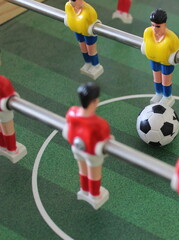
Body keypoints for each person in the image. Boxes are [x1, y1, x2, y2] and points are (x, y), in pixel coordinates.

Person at [63, 82, 111, 210]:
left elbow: (68, 129)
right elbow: (104, 142)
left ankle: (84, 190)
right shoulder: (100, 124)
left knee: (82, 170)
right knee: (94, 174)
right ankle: (95, 195)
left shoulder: (72, 112)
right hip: (92, 154)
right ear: (95, 101)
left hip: (76, 148)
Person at [141, 8, 179, 107]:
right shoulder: (147, 32)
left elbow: (175, 52)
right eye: (152, 25)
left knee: (166, 80)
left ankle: (167, 96)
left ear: (164, 25)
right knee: (156, 78)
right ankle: (158, 93)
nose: (154, 28)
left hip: (166, 62)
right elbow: (145, 44)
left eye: (158, 26)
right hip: (153, 59)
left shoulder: (172, 39)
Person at [65, 0, 104, 80]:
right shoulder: (68, 6)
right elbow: (69, 16)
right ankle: (88, 63)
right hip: (77, 30)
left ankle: (95, 65)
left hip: (88, 33)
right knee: (83, 49)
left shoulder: (89, 11)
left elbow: (93, 21)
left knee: (91, 50)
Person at [0, 75, 27, 163]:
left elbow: (11, 96)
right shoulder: (3, 82)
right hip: (3, 109)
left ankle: (10, 148)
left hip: (4, 110)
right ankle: (5, 146)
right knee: (6, 129)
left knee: (7, 129)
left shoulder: (3, 82)